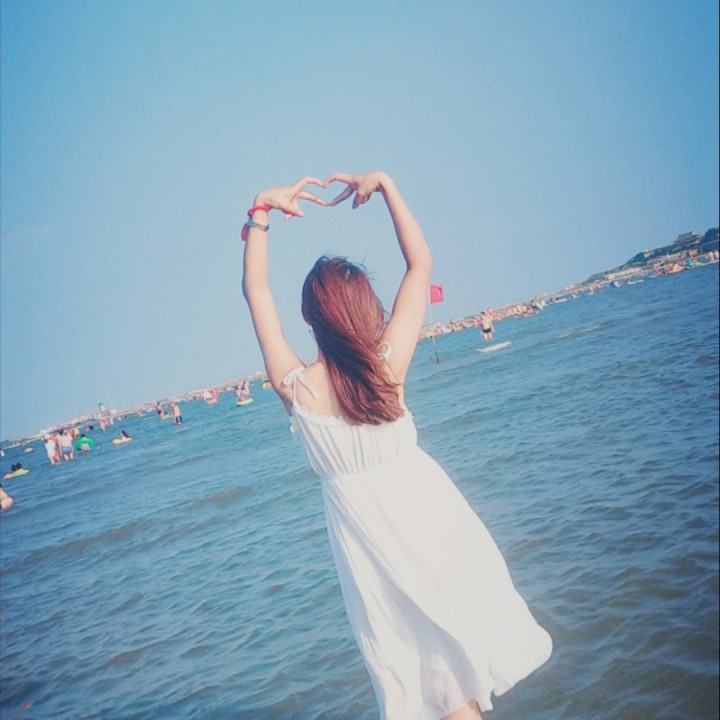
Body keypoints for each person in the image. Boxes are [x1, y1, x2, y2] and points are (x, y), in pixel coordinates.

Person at [241, 173, 552, 720]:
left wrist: (260, 212)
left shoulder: (298, 390)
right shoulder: (386, 367)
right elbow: (419, 265)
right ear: (367, 307)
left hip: (368, 551)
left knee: (423, 675)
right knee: (456, 666)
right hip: (432, 518)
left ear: (309, 317)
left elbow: (257, 293)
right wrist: (386, 186)